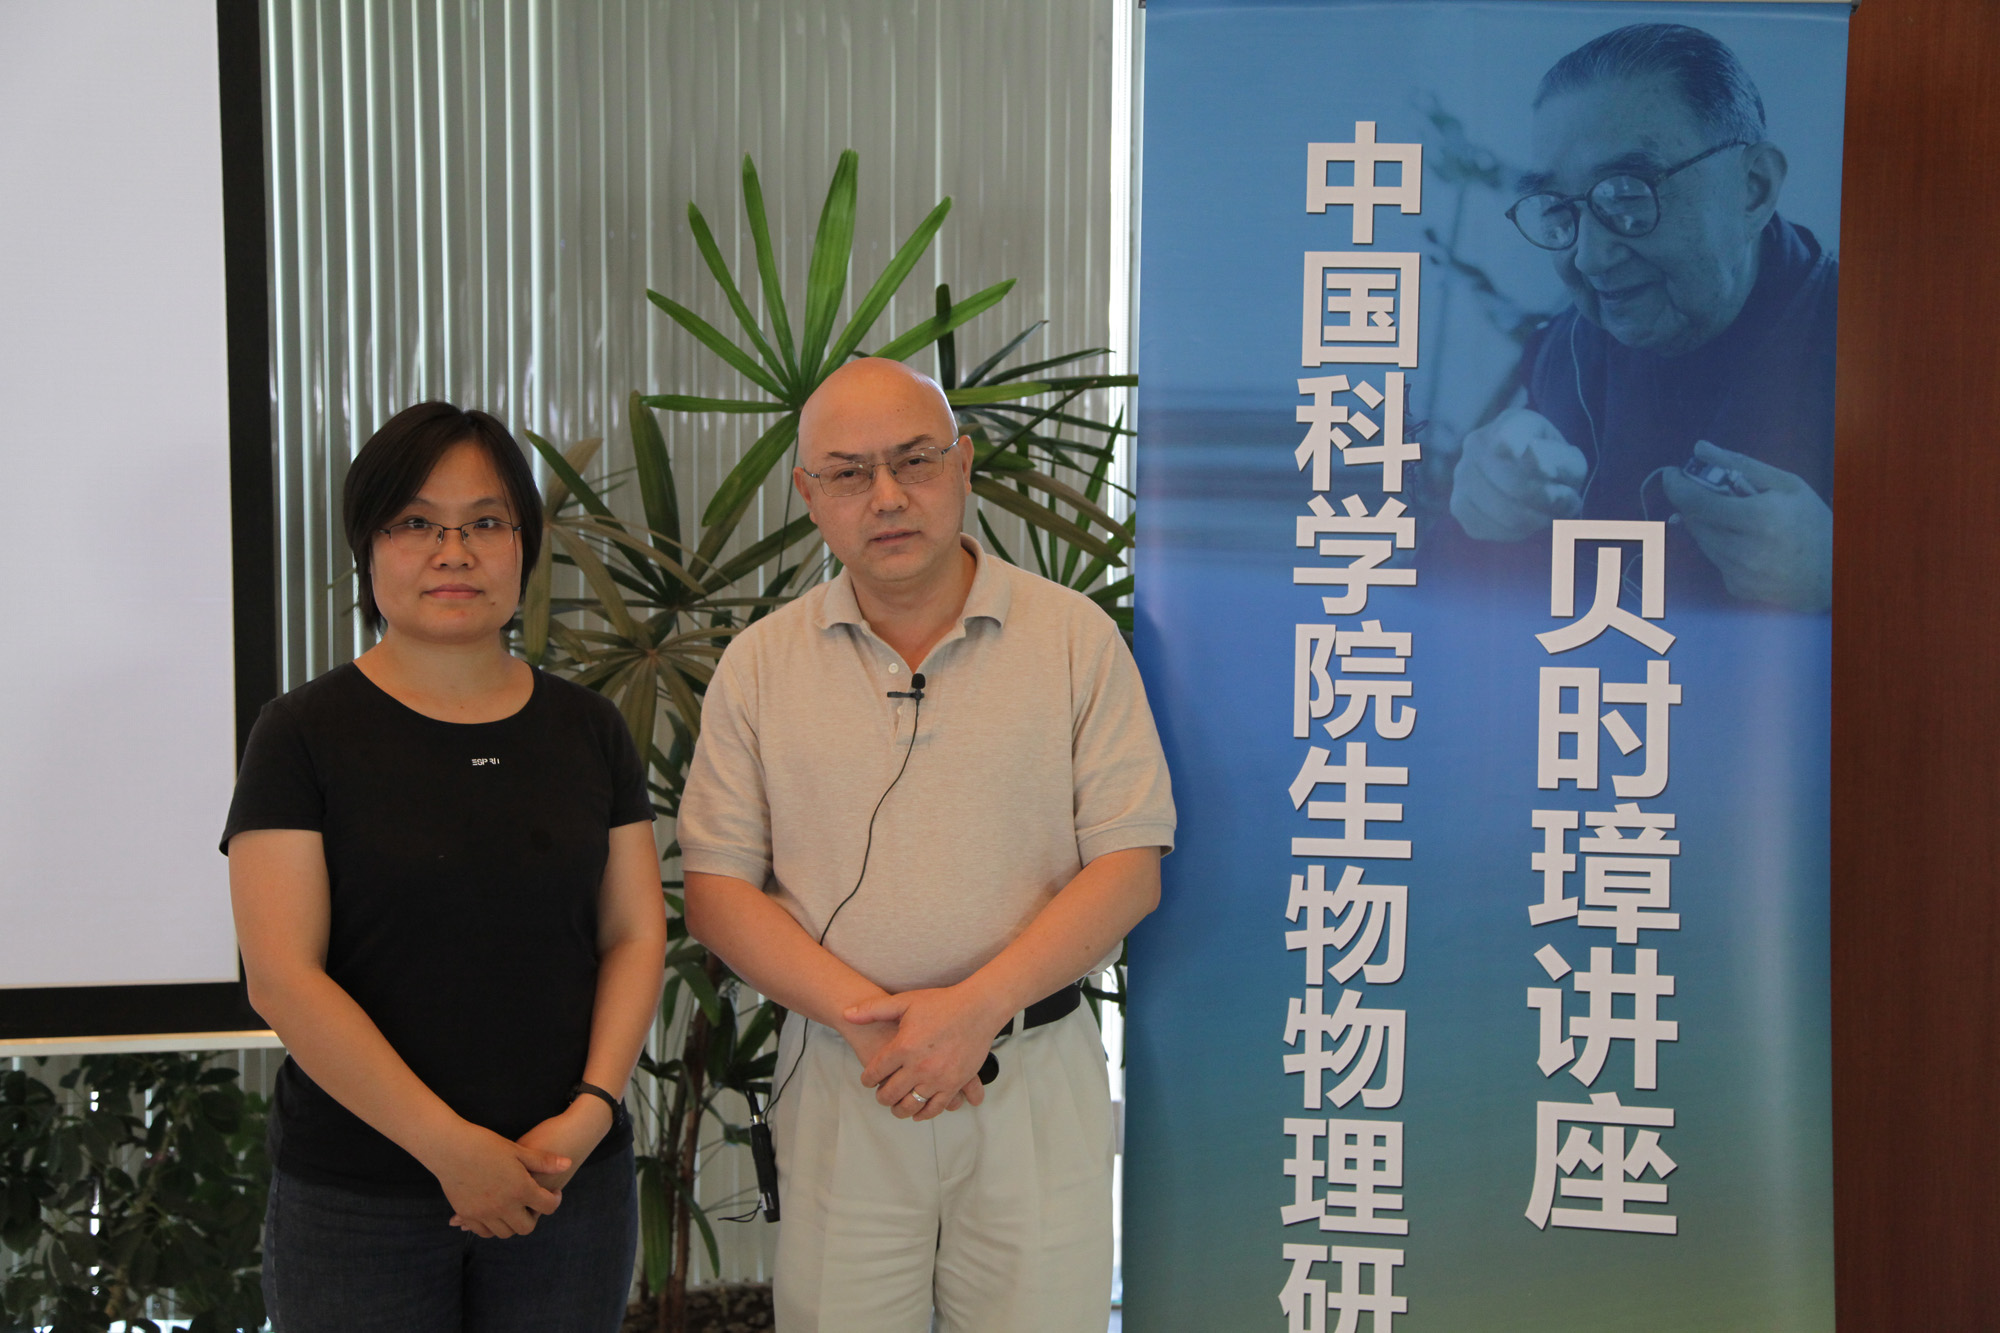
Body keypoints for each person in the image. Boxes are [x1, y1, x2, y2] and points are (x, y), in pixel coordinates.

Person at [678, 358, 1175, 1332]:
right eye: (848, 473)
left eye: (914, 460)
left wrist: (975, 1009)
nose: (887, 496)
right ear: (808, 494)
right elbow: (717, 891)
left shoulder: (1072, 638)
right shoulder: (760, 665)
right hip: (843, 1070)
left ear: (963, 463)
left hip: (1031, 1071)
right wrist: (867, 1023)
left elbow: (1129, 867)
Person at [223, 402, 666, 1332]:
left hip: (566, 1183)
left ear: (523, 545)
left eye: (485, 522)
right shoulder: (300, 733)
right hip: (359, 1199)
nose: (453, 552)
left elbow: (633, 931)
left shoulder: (589, 728)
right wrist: (452, 1150)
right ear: (368, 547)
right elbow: (283, 976)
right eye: (416, 522)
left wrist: (590, 1113)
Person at [1443, 23, 1836, 610]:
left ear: (1752, 189)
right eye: (1557, 210)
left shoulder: (1894, 348)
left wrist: (1846, 574)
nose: (1589, 256)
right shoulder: (1566, 350)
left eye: (1627, 196)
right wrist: (1483, 509)